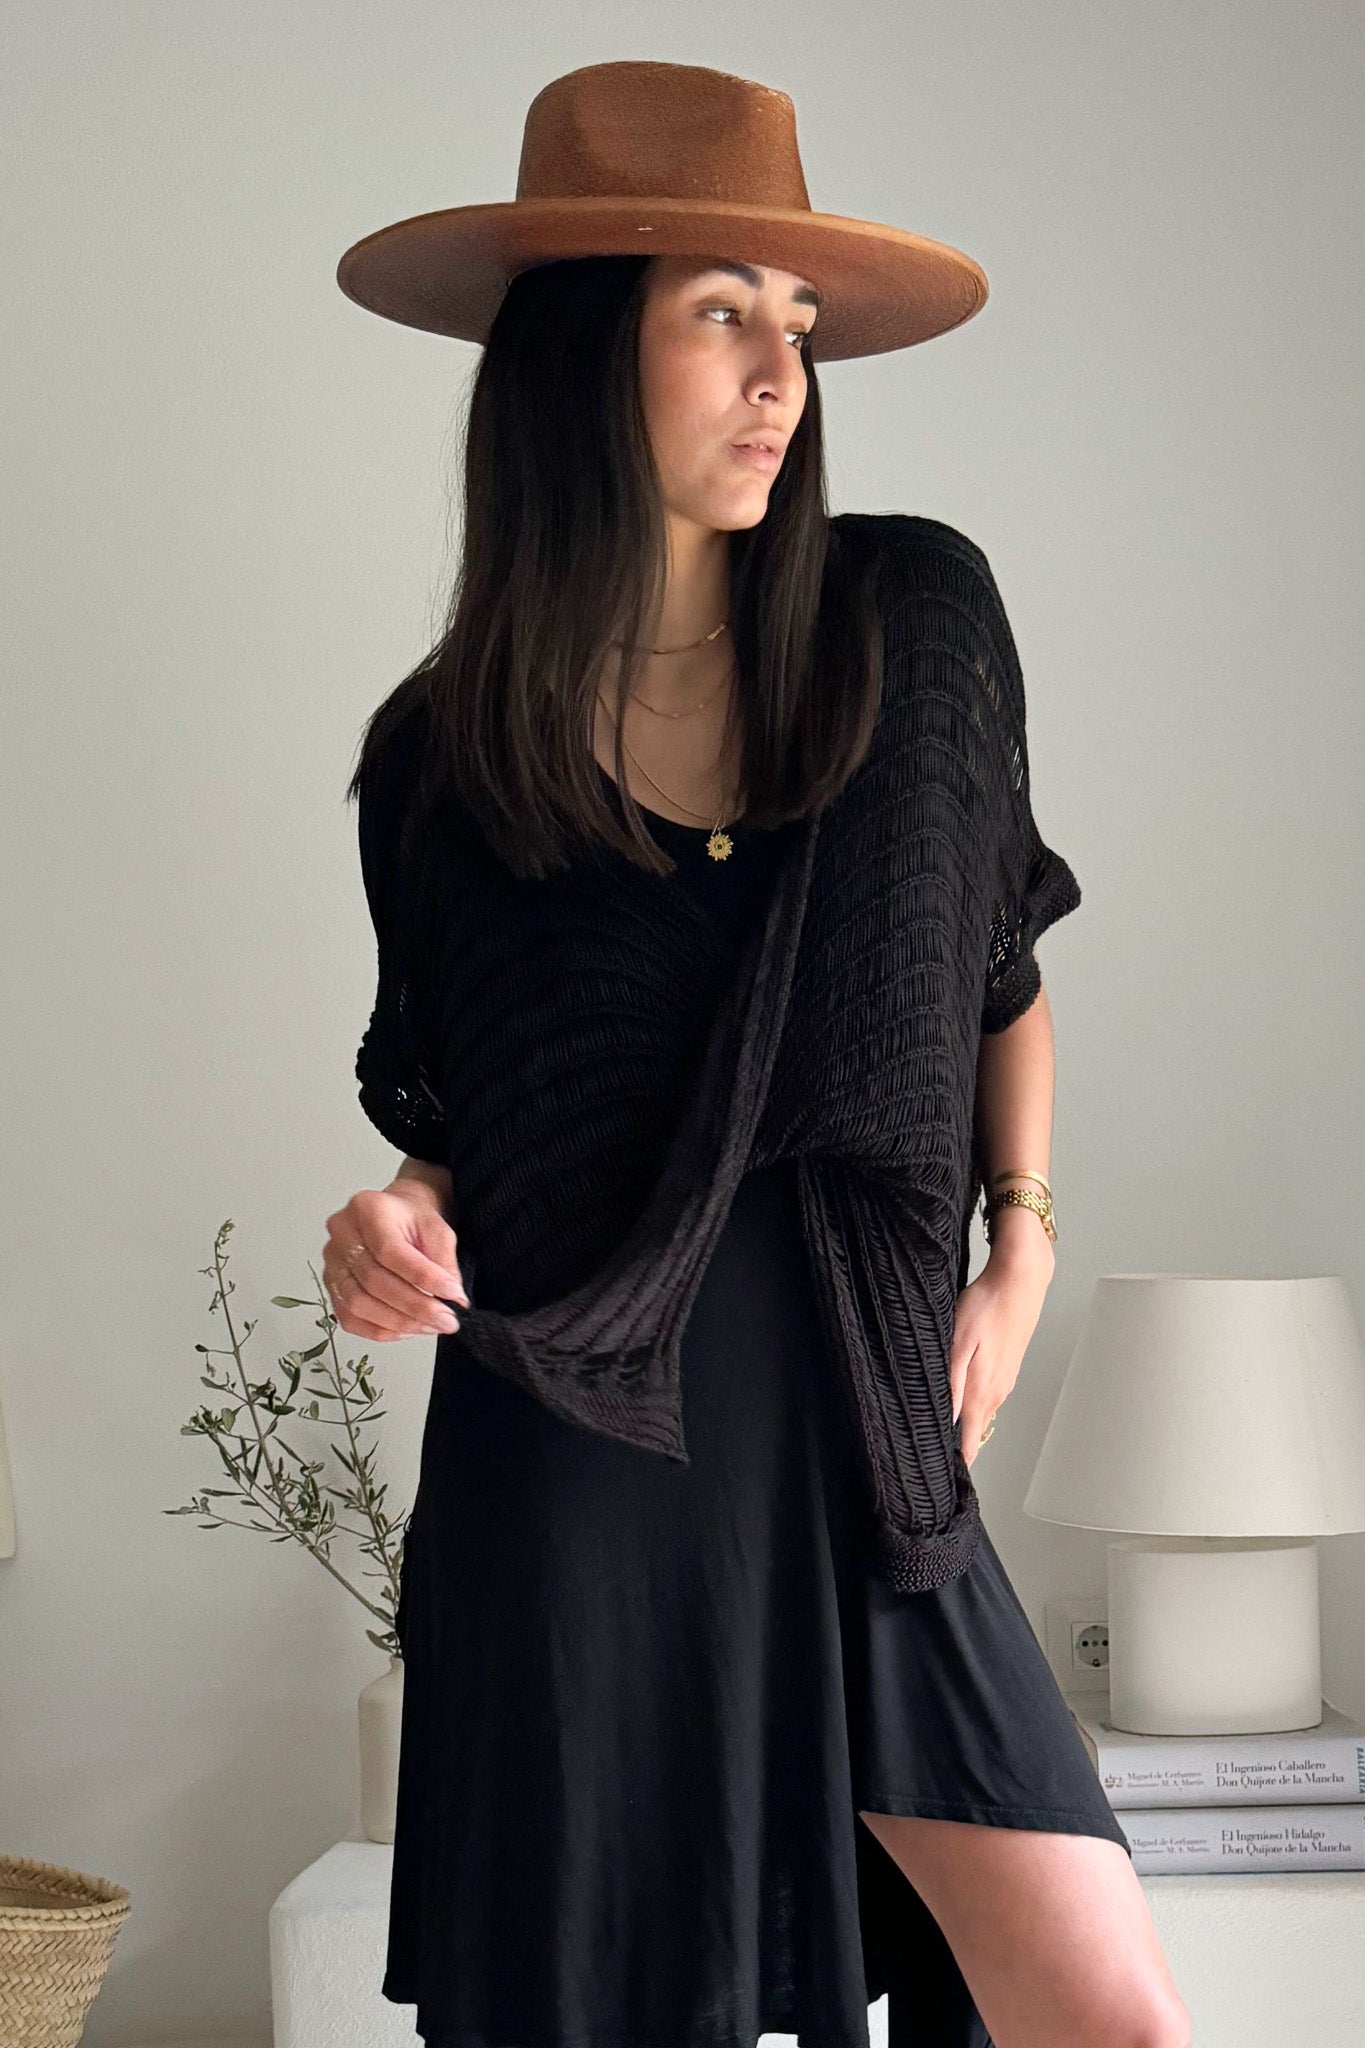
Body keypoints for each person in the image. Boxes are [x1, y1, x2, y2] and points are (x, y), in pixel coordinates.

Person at [322, 60, 1191, 2048]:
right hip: (582, 1451)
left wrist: (1022, 1250)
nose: (779, 376)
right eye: (720, 311)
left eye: (793, 323)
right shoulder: (442, 755)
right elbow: (465, 1114)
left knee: (1102, 2013)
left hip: (866, 1430)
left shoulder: (909, 618)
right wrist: (387, 1218)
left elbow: (998, 977)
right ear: (577, 350)